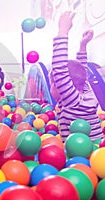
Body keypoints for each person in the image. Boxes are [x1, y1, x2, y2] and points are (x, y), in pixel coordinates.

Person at [49, 11, 103, 142]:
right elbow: (82, 70)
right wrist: (83, 44)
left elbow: (60, 70)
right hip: (97, 150)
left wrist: (63, 31)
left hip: (80, 157)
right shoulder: (87, 93)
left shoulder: (72, 101)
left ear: (58, 84)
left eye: (52, 82)